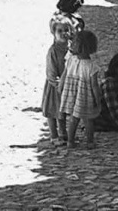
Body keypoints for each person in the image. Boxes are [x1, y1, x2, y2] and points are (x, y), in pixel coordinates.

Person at [58, 30, 103, 149]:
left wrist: (61, 86)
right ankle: (90, 142)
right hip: (85, 96)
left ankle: (70, 141)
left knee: (73, 119)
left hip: (71, 94)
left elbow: (64, 74)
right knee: (88, 120)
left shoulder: (71, 60)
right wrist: (97, 98)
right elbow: (94, 86)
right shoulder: (91, 66)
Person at [41, 18, 70, 146]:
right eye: (59, 31)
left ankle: (63, 133)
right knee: (52, 111)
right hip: (54, 86)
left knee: (61, 111)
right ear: (53, 33)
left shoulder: (70, 48)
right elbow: (51, 72)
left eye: (66, 30)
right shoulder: (52, 51)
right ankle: (53, 135)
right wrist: (58, 84)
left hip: (66, 84)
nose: (63, 33)